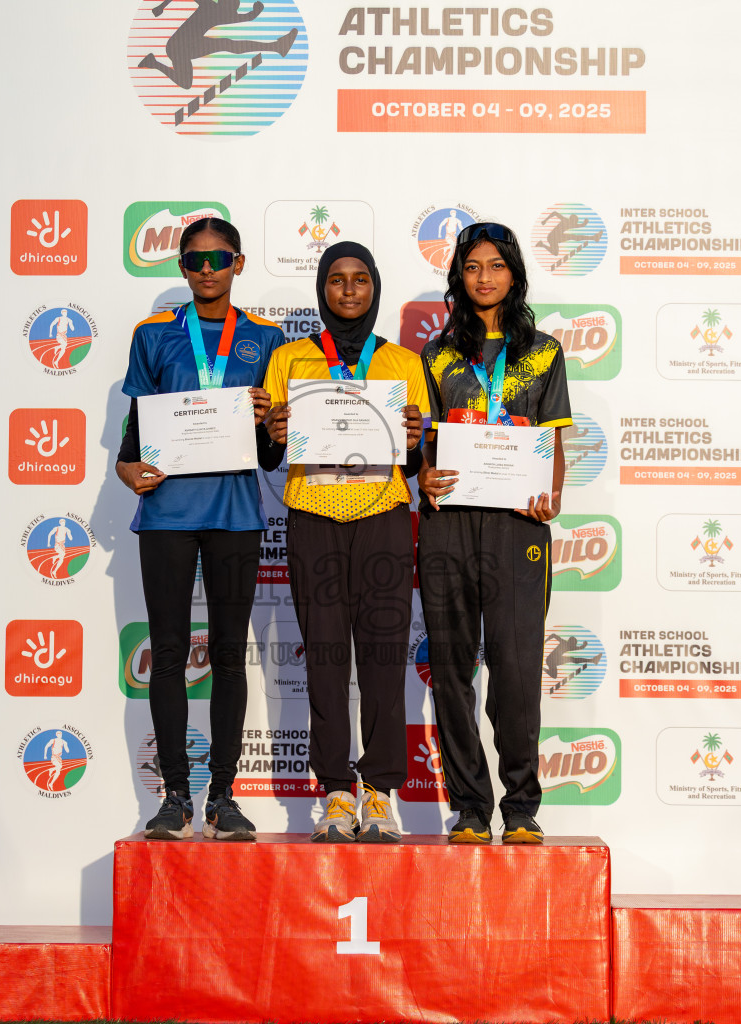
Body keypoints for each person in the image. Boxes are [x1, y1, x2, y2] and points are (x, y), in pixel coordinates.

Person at [115, 216, 284, 841]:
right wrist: (127, 469)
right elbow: (134, 441)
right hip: (165, 517)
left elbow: (268, 458)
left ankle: (225, 796)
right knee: (166, 656)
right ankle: (174, 799)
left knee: (228, 660)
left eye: (219, 260)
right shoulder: (153, 335)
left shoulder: (266, 341)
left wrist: (271, 427)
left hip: (236, 515)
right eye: (194, 260)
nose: (206, 271)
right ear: (181, 266)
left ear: (238, 264)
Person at [262, 242, 427, 843]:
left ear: (375, 287)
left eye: (360, 280)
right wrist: (273, 433)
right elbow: (269, 457)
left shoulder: (406, 364)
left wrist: (414, 440)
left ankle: (380, 794)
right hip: (312, 516)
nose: (349, 291)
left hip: (383, 515)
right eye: (337, 280)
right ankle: (335, 790)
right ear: (322, 289)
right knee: (327, 658)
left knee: (383, 657)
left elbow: (415, 465)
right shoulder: (288, 360)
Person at [416, 222, 572, 845]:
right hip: (448, 522)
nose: (485, 277)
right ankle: (471, 809)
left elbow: (553, 439)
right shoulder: (435, 354)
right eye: (473, 266)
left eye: (496, 266)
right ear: (459, 276)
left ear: (514, 274)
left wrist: (551, 496)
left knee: (513, 670)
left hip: (517, 525)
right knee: (451, 669)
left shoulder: (544, 351)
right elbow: (423, 442)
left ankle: (523, 806)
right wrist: (423, 478)